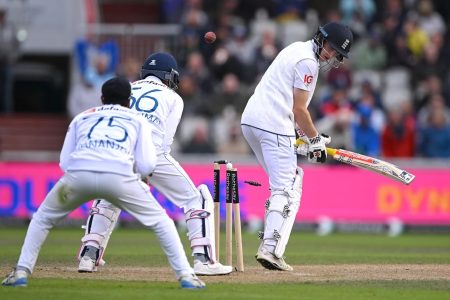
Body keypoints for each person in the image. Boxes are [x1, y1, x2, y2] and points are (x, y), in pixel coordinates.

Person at [2, 77, 205, 289]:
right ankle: (186, 276)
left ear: (101, 98)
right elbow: (146, 165)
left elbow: (64, 161)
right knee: (162, 222)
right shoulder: (137, 120)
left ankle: (22, 272)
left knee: (42, 218)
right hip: (120, 178)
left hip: (78, 177)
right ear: (129, 101)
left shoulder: (82, 117)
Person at [77, 53, 232, 276]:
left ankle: (88, 255)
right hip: (153, 153)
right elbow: (164, 143)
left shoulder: (127, 87)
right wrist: (147, 170)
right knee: (196, 198)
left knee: (108, 197)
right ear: (169, 76)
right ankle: (203, 260)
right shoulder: (173, 98)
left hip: (119, 151)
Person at [241, 22, 353, 271]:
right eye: (331, 48)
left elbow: (292, 106)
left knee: (287, 181)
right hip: (273, 123)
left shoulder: (295, 49)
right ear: (320, 38)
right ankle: (270, 249)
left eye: (337, 53)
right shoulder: (308, 62)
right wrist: (314, 141)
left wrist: (307, 138)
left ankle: (272, 246)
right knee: (287, 185)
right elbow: (299, 109)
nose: (331, 55)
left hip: (252, 121)